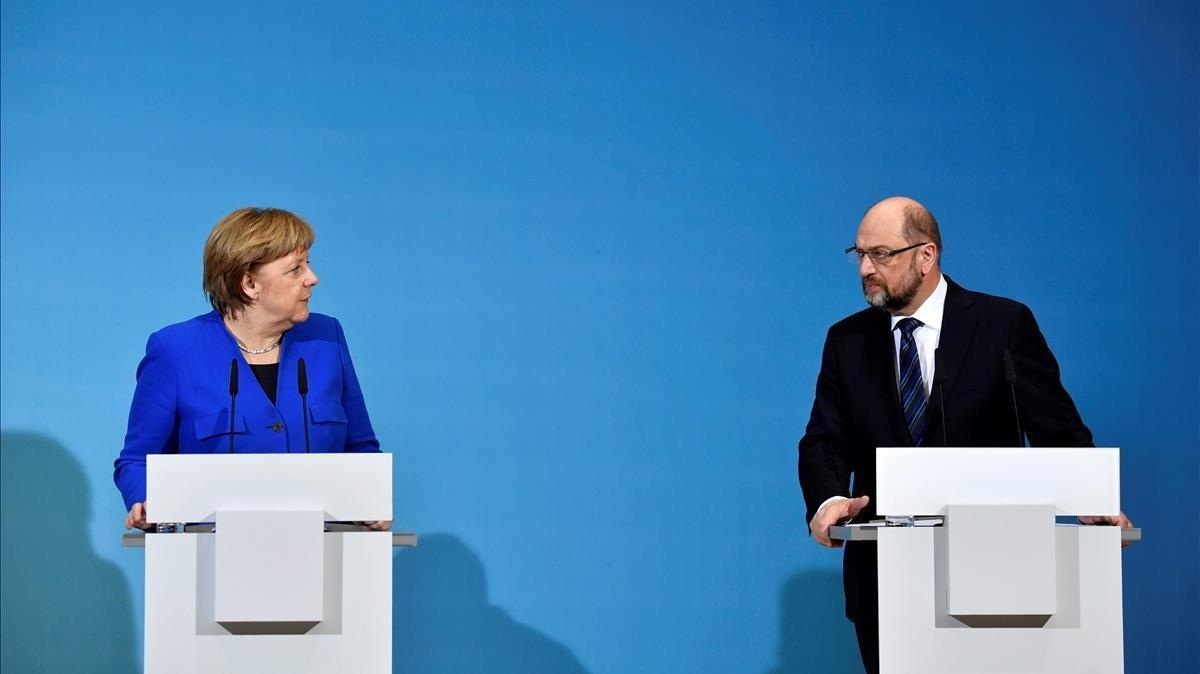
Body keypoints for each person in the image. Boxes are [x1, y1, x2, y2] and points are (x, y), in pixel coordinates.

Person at [797, 196, 1132, 674]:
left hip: (998, 574)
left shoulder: (1002, 324)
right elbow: (824, 440)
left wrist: (1095, 498)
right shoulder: (846, 340)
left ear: (926, 255)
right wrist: (829, 500)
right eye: (860, 254)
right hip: (885, 584)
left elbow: (1057, 428)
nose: (866, 268)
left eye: (882, 254)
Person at [113, 207, 390, 531]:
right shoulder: (176, 350)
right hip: (208, 561)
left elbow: (361, 449)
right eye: (295, 269)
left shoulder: (327, 338)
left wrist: (371, 501)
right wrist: (146, 502)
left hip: (326, 555)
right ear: (249, 283)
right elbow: (136, 461)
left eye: (308, 264)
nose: (312, 278)